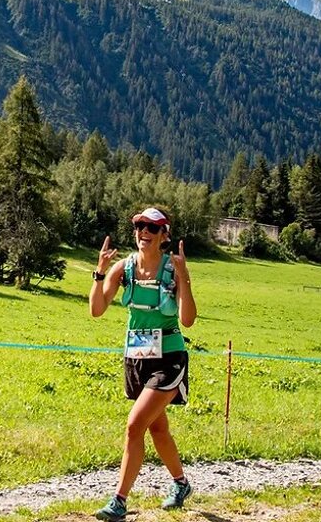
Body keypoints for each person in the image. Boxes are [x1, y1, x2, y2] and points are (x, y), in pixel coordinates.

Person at [88, 206, 198, 521]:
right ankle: (181, 484)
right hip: (137, 358)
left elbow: (187, 320)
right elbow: (96, 309)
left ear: (164, 235)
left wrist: (184, 277)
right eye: (139, 227)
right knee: (158, 428)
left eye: (151, 228)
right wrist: (99, 272)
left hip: (169, 357)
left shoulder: (172, 268)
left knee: (135, 425)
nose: (143, 233)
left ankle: (119, 501)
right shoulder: (123, 268)